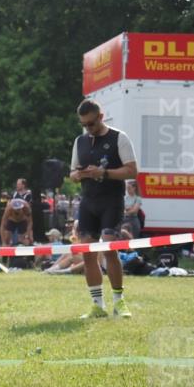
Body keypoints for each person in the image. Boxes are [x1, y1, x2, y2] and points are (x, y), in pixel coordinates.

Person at [69, 99, 138, 318]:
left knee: (110, 250)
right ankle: (98, 305)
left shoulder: (119, 138)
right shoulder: (79, 141)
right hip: (88, 202)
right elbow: (71, 174)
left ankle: (119, 301)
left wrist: (103, 173)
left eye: (91, 123)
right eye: (84, 124)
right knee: (88, 255)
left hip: (112, 201)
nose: (88, 128)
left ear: (101, 116)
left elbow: (132, 171)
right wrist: (78, 175)